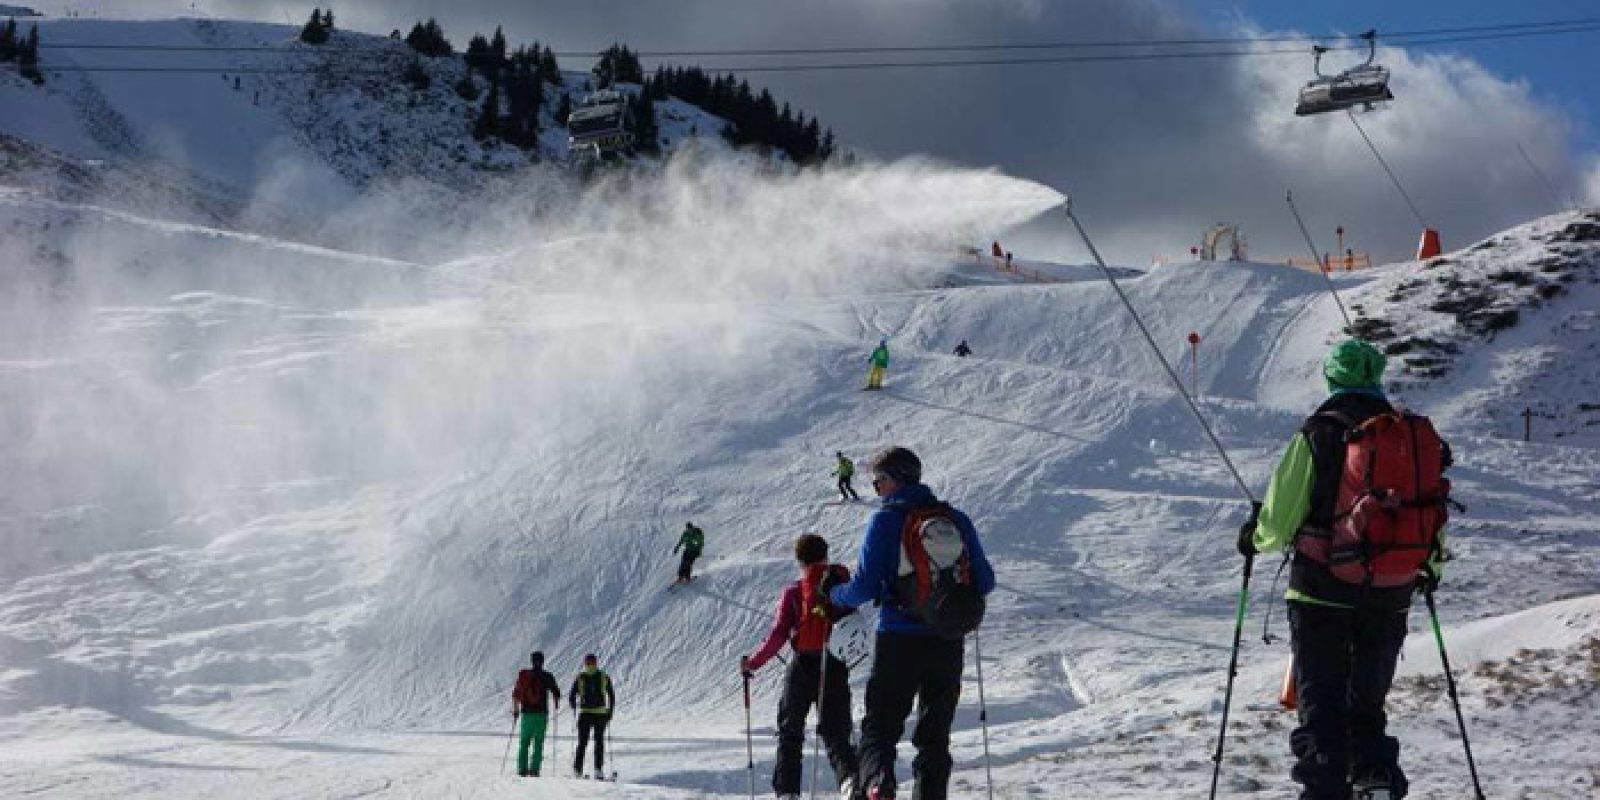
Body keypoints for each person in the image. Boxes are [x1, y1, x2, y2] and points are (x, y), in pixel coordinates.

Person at [1239, 339, 1451, 800]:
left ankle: (1324, 790)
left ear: (1332, 378)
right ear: (1376, 377)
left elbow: (1277, 524)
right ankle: (1375, 779)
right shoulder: (1407, 437)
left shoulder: (1319, 433)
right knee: (1367, 706)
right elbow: (1430, 513)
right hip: (1391, 593)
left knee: (1322, 709)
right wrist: (1427, 569)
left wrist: (1253, 538)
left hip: (1320, 593)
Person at [828, 447, 996, 800]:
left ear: (893, 480)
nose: (876, 490)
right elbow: (985, 581)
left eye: (878, 483)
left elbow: (864, 586)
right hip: (947, 637)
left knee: (879, 728)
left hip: (898, 638)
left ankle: (878, 784)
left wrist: (834, 596)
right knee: (935, 737)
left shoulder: (887, 520)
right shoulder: (956, 519)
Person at [741, 534, 860, 800]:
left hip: (803, 664)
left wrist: (753, 664)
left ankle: (787, 791)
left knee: (790, 729)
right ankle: (850, 781)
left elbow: (778, 635)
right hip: (834, 662)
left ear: (800, 560)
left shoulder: (795, 593)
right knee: (836, 730)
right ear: (825, 556)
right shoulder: (839, 584)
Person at [511, 651, 562, 777]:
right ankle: (535, 770)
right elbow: (556, 693)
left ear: (532, 661)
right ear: (543, 661)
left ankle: (522, 769)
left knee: (524, 742)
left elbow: (516, 695)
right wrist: (556, 703)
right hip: (541, 715)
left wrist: (516, 711)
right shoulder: (547, 676)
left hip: (526, 714)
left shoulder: (524, 676)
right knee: (538, 743)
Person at [569, 653, 617, 778]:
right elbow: (611, 695)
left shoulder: (580, 677)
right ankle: (598, 770)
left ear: (585, 663)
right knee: (599, 741)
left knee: (582, 742)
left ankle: (577, 770)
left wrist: (574, 706)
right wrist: (610, 711)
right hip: (601, 713)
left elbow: (571, 696)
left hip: (585, 713)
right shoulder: (604, 676)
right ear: (596, 663)